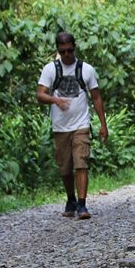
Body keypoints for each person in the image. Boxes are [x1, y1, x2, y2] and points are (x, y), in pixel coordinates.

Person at [36, 32, 109, 219]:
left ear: (74, 48)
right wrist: (55, 100)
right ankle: (71, 199)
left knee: (81, 163)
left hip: (81, 125)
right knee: (65, 168)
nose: (67, 54)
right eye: (63, 51)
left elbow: (96, 97)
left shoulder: (86, 70)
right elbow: (40, 94)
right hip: (60, 127)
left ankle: (83, 205)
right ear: (58, 51)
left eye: (70, 50)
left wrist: (103, 125)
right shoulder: (50, 70)